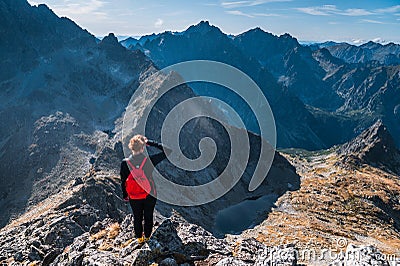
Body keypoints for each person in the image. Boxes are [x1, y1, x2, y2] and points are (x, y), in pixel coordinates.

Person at [120, 134, 171, 243]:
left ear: (131, 147)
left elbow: (123, 181)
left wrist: (125, 195)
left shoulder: (125, 163)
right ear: (143, 147)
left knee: (137, 217)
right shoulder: (149, 161)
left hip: (134, 196)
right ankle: (148, 238)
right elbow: (168, 151)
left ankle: (139, 239)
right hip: (150, 194)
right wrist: (150, 142)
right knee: (148, 216)